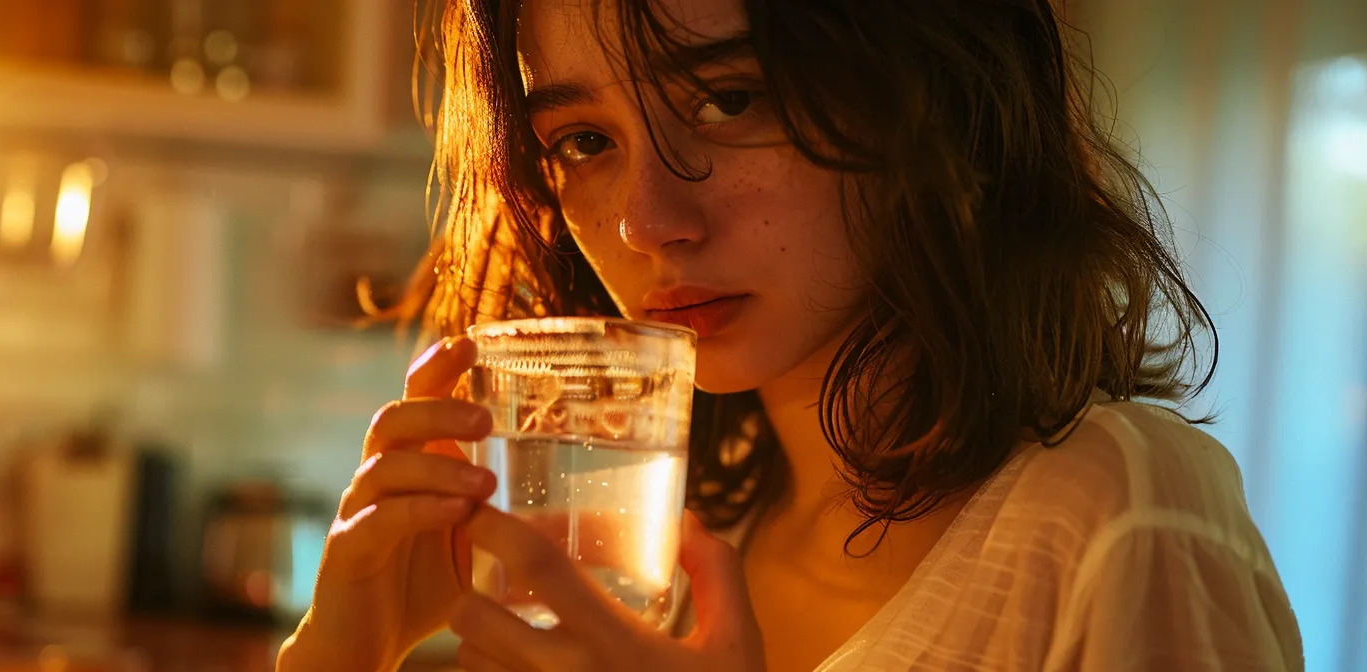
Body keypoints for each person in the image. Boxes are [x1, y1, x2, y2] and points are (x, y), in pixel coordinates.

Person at [278, 0, 1304, 669]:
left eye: (729, 99)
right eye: (583, 141)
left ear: (930, 96)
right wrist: (339, 653)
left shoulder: (1114, 513)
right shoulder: (654, 563)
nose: (646, 221)